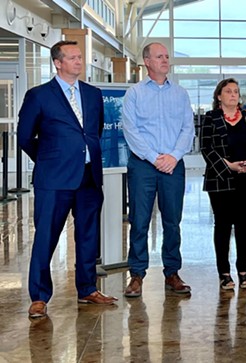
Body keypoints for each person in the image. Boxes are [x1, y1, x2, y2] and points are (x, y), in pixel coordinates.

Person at [18, 40, 117, 319]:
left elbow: (93, 132)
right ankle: (39, 297)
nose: (78, 61)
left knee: (88, 236)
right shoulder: (38, 95)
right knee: (46, 237)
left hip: (88, 177)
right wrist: (50, 159)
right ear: (58, 63)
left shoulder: (93, 93)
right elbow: (25, 137)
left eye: (80, 57)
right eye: (72, 57)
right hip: (54, 180)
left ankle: (87, 289)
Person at [122, 42, 195, 297]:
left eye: (166, 56)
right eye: (159, 56)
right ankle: (137, 275)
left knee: (172, 221)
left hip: (173, 166)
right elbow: (131, 131)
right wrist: (155, 158)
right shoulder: (135, 94)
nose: (165, 60)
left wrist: (173, 157)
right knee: (139, 221)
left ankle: (172, 272)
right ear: (147, 62)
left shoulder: (181, 94)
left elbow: (188, 128)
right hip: (144, 165)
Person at [200, 78, 246, 290]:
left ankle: (242, 270)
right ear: (219, 96)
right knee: (222, 225)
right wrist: (228, 166)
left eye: (236, 91)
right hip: (221, 179)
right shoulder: (210, 118)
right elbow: (206, 148)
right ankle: (224, 272)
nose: (233, 94)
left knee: (244, 224)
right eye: (228, 91)